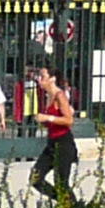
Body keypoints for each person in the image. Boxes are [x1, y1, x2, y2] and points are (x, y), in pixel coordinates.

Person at [27, 67, 80, 200]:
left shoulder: (59, 95)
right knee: (35, 178)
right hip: (52, 142)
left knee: (61, 183)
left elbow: (69, 120)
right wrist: (44, 121)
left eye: (43, 77)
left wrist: (47, 118)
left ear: (52, 79)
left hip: (63, 143)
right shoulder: (46, 96)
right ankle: (65, 203)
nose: (39, 79)